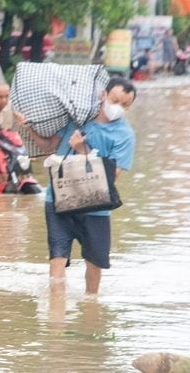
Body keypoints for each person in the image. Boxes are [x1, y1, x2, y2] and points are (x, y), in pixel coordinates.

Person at [24, 77, 136, 296]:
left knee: (94, 263)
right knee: (57, 256)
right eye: (115, 100)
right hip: (58, 198)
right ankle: (56, 314)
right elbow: (49, 145)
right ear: (103, 95)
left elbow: (112, 176)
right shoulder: (77, 119)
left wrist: (82, 149)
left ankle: (90, 308)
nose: (118, 108)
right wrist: (28, 127)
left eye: (125, 105)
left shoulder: (125, 135)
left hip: (96, 204)